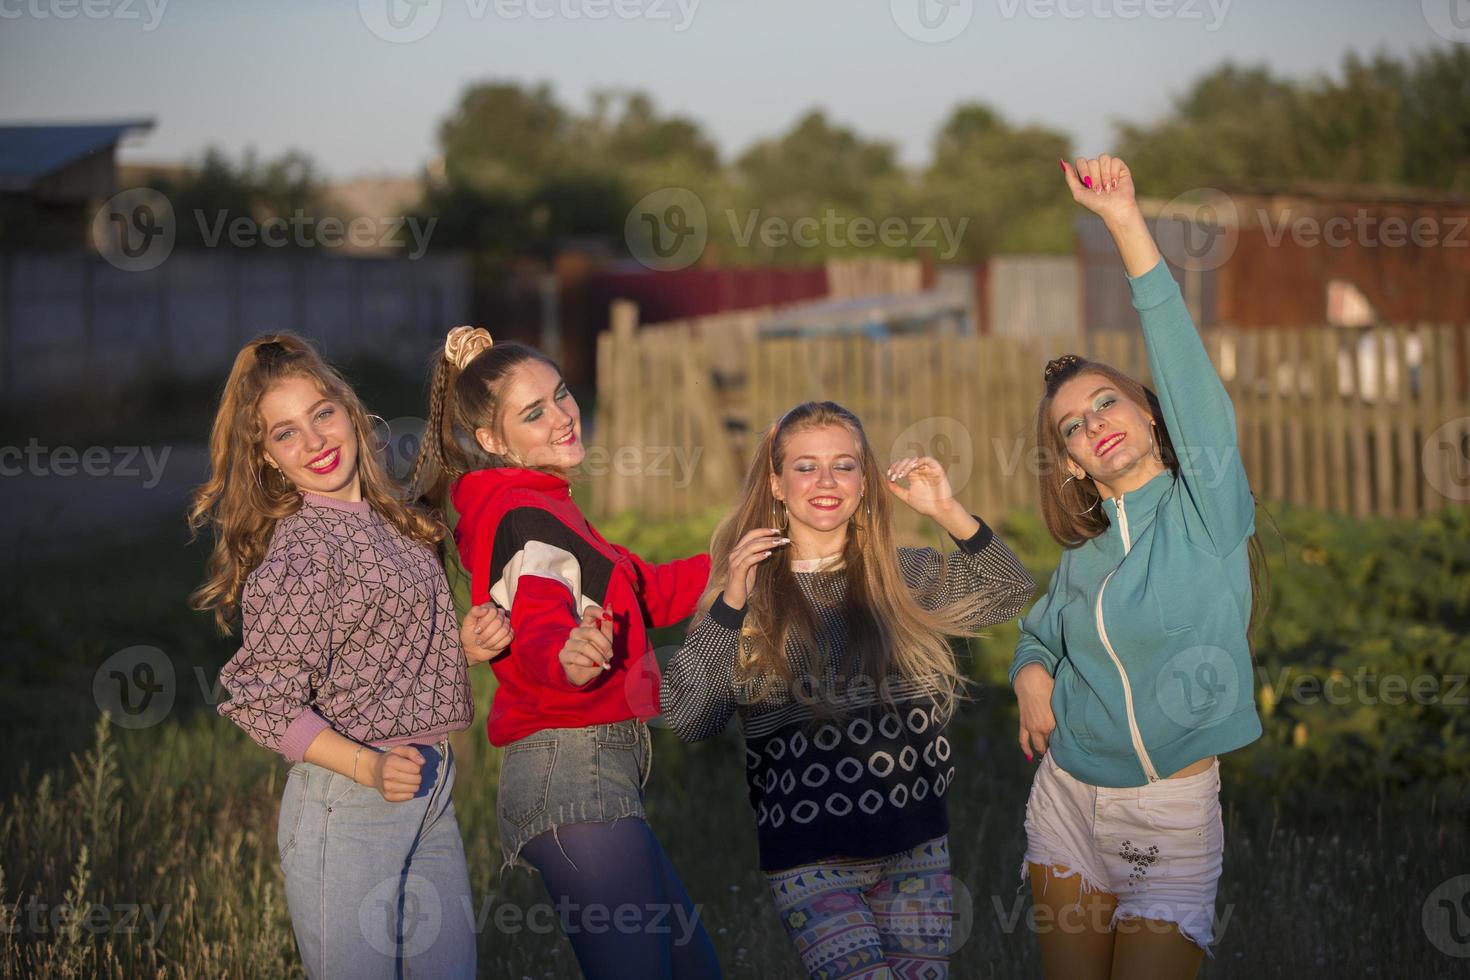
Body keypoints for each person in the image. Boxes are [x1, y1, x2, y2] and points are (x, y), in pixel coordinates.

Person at [661, 400, 1036, 979]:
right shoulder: (745, 595)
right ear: (777, 485)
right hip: (810, 856)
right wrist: (730, 600)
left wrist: (947, 510)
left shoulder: (900, 575)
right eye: (806, 466)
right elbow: (689, 718)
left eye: (845, 465)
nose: (827, 481)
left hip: (917, 841)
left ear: (865, 481)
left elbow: (1009, 588)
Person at [1010, 156, 1267, 979]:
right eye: (1074, 428)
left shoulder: (1208, 509)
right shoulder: (1085, 551)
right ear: (1075, 465)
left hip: (1170, 815)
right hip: (1067, 802)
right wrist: (1029, 677)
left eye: (1106, 402)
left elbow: (1189, 372)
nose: (1094, 425)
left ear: (1151, 414)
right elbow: (1040, 633)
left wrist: (1124, 221)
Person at [189, 333, 511, 980]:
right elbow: (262, 701)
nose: (313, 442)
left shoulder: (387, 515)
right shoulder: (300, 553)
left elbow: (374, 651)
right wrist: (367, 767)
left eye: (322, 414)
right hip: (349, 804)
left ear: (349, 409)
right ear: (269, 460)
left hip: (430, 789)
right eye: (285, 434)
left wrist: (459, 647)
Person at [409, 326, 722, 980]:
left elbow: (648, 590)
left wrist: (743, 557)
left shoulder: (545, 507)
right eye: (534, 412)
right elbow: (540, 616)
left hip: (592, 768)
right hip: (569, 770)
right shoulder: (523, 518)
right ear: (492, 441)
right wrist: (565, 659)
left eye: (562, 395)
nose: (562, 417)